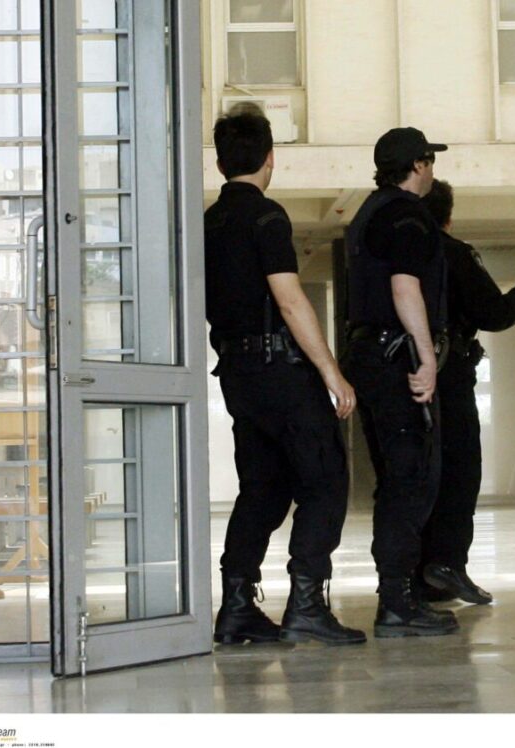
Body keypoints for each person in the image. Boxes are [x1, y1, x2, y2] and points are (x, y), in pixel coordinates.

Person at [205, 108, 365, 646]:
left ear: (221, 162)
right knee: (325, 478)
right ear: (270, 158)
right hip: (279, 371)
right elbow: (290, 300)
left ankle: (236, 606)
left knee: (263, 488)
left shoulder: (207, 223)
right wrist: (331, 372)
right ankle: (307, 606)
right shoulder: (266, 217)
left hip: (236, 374)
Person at [341, 127, 458, 637]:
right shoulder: (408, 215)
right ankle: (397, 602)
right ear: (418, 164)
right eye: (430, 161)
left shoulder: (369, 212)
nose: (432, 170)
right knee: (411, 478)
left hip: (369, 355)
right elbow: (404, 286)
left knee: (397, 478)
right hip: (395, 357)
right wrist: (427, 357)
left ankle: (396, 595)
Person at [417, 179, 515, 605]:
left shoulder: (387, 254)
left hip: (397, 374)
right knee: (460, 468)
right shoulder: (453, 253)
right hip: (447, 373)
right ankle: (447, 564)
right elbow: (493, 313)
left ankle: (411, 575)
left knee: (412, 473)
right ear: (448, 217)